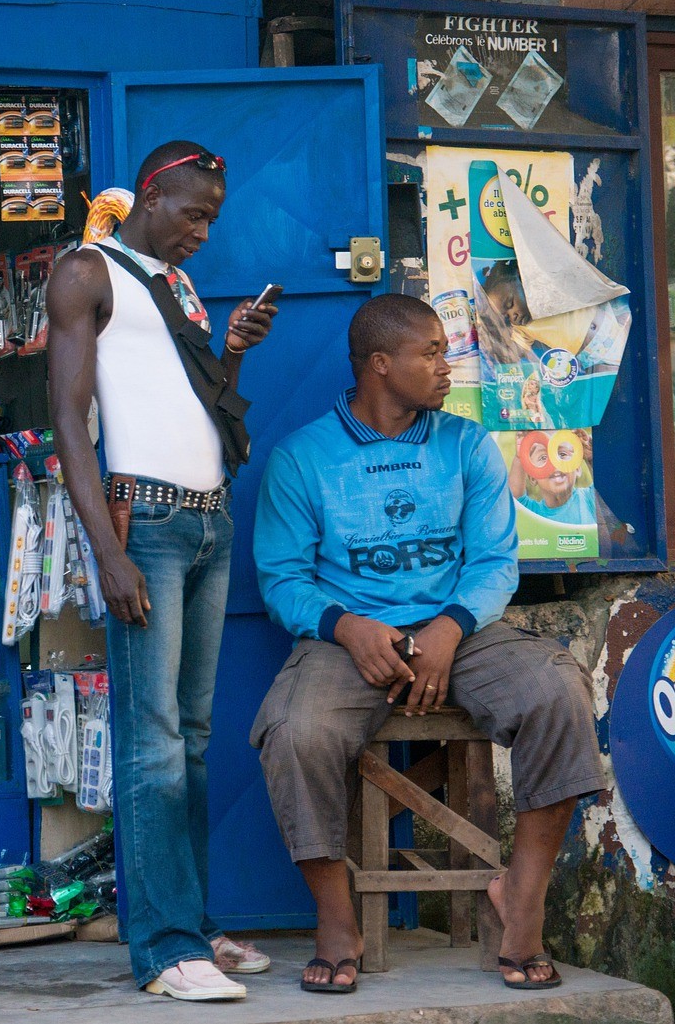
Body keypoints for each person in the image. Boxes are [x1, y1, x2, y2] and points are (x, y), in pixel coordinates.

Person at [250, 294, 607, 994]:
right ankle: (336, 920)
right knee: (295, 729)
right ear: (381, 366)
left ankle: (522, 905)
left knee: (558, 690)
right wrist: (347, 627)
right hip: (348, 642)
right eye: (434, 353)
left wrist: (449, 625)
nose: (449, 366)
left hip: (460, 629)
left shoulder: (467, 443)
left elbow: (495, 561)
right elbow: (283, 579)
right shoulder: (302, 458)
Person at [46, 140, 279, 1002]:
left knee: (191, 739)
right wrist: (106, 548)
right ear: (152, 196)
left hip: (210, 519)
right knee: (152, 745)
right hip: (140, 522)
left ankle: (192, 923)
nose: (204, 232)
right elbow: (70, 417)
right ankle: (164, 948)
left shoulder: (179, 289)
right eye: (193, 214)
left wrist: (238, 347)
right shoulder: (84, 271)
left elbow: (199, 402)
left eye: (213, 218)